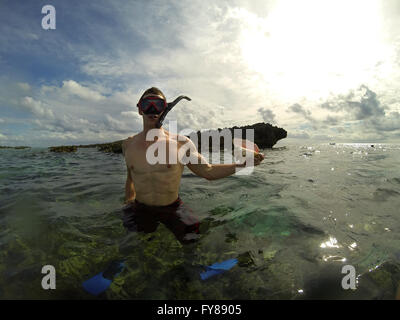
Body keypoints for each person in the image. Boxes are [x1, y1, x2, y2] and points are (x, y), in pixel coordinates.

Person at [121, 87, 264, 244]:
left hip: (172, 208)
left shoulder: (181, 143)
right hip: (141, 208)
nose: (153, 109)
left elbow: (207, 171)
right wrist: (129, 202)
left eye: (159, 105)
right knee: (139, 246)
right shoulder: (128, 145)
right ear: (140, 109)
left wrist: (243, 164)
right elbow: (131, 177)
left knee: (195, 241)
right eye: (148, 104)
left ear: (165, 109)